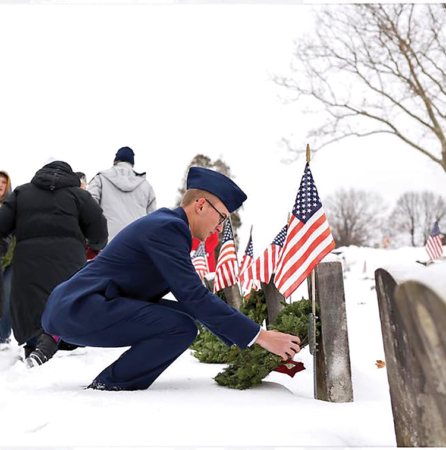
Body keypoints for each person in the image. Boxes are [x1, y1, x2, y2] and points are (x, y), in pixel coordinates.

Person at [42, 167, 301, 391]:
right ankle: (111, 386)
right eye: (222, 217)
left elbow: (192, 301)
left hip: (86, 306)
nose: (221, 228)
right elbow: (195, 296)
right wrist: (262, 337)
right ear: (200, 205)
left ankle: (114, 382)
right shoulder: (168, 228)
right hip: (79, 308)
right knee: (181, 326)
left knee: (185, 319)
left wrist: (249, 342)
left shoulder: (169, 227)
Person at [0, 161, 108, 366]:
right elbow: (100, 234)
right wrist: (93, 245)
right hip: (69, 266)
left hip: (27, 267)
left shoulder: (22, 193)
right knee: (66, 301)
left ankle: (35, 346)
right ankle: (62, 345)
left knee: (31, 304)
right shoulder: (80, 196)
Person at [87, 146, 157, 241]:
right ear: (132, 163)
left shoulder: (101, 178)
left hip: (106, 242)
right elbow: (152, 218)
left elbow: (89, 206)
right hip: (136, 242)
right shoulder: (146, 186)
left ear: (116, 160)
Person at [0, 171, 13, 348]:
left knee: (7, 295)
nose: (0, 185)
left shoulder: (12, 206)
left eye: (3, 182)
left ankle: (3, 335)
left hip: (11, 259)